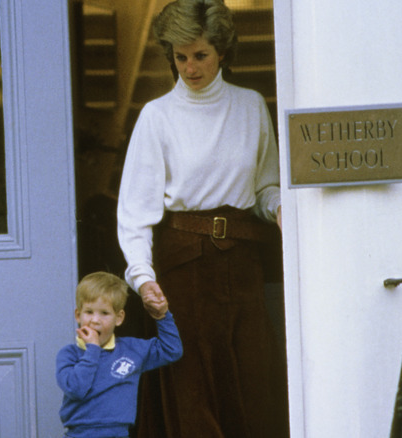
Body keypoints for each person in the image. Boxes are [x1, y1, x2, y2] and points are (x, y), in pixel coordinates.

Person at [116, 1, 288, 436]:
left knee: (253, 391)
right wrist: (141, 275)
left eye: (200, 55)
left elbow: (265, 188)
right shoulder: (157, 117)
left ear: (223, 51)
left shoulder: (250, 107)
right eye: (180, 56)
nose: (190, 68)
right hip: (183, 269)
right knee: (193, 398)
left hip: (243, 268)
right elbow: (135, 212)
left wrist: (281, 208)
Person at [56, 272, 183, 438]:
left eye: (104, 313)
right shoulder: (69, 354)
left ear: (119, 318)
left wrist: (162, 316)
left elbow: (171, 350)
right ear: (78, 316)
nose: (95, 320)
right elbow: (76, 389)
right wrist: (92, 350)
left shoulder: (131, 349)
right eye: (89, 312)